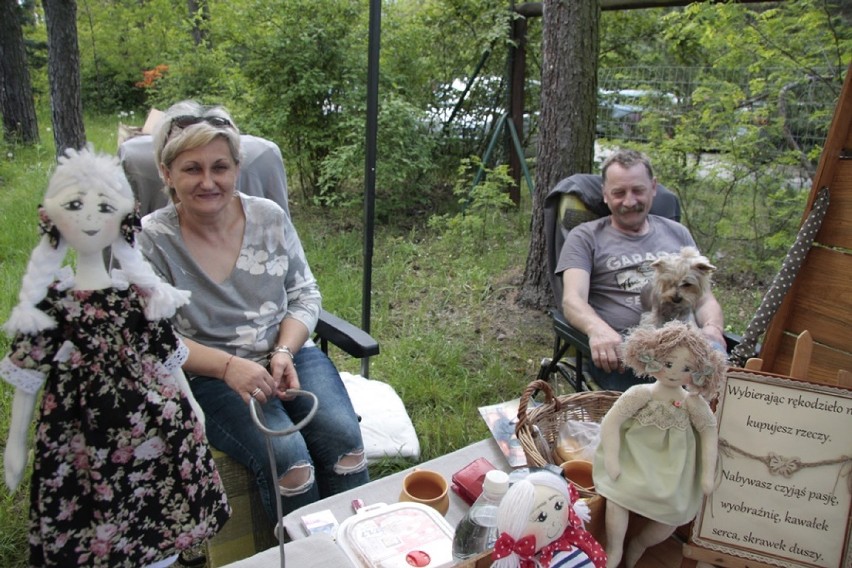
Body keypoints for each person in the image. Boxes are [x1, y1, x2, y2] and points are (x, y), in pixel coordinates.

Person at [137, 100, 370, 525]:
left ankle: (356, 543)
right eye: (192, 169)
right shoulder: (151, 239)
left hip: (287, 351)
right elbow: (150, 336)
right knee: (290, 460)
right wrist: (229, 368)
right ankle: (306, 557)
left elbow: (303, 293)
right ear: (167, 174)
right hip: (208, 372)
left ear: (236, 169)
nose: (208, 181)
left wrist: (284, 350)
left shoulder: (268, 217)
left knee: (345, 441)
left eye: (220, 167)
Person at [2, 147, 230, 567]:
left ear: (123, 217)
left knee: (159, 518)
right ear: (52, 219)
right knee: (90, 521)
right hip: (80, 435)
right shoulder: (55, 305)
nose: (89, 218)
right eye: (74, 206)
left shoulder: (138, 296)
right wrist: (16, 441)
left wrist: (192, 404)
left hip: (155, 429)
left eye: (103, 207)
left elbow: (167, 355)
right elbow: (28, 372)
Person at [556, 149, 725, 391]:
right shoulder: (585, 237)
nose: (629, 201)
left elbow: (704, 298)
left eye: (638, 190)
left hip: (687, 342)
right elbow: (573, 300)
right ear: (605, 194)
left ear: (653, 188)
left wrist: (712, 328)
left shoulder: (677, 233)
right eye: (618, 193)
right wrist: (599, 330)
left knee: (726, 380)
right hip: (626, 353)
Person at [592, 321, 727, 568]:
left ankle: (640, 543)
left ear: (699, 371)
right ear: (651, 357)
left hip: (673, 471)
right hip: (633, 458)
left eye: (686, 368)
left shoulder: (693, 404)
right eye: (667, 363)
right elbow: (612, 422)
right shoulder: (641, 393)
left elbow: (709, 433)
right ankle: (614, 549)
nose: (674, 372)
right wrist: (611, 458)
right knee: (618, 497)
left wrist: (707, 475)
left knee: (675, 513)